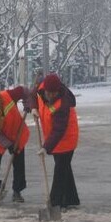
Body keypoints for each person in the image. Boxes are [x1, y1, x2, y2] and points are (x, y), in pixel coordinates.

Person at [30, 73, 80, 209]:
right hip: (53, 138)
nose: (50, 96)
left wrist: (46, 147)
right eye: (48, 93)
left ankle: (55, 203)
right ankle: (71, 199)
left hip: (66, 139)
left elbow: (59, 130)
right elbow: (32, 95)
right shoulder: (41, 89)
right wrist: (34, 107)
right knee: (64, 169)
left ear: (58, 90)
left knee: (60, 170)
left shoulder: (62, 104)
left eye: (53, 93)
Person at [0, 87, 30, 203]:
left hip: (16, 133)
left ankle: (17, 191)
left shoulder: (9, 95)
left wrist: (28, 103)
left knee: (19, 163)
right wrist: (9, 145)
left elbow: (25, 91)